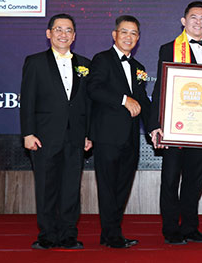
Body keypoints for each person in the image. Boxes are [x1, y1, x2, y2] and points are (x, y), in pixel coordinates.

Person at [149, 1, 202, 245]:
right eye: (193, 17)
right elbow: (160, 88)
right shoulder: (168, 48)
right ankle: (171, 229)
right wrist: (155, 125)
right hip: (176, 127)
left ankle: (191, 227)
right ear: (184, 21)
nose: (198, 22)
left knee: (195, 180)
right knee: (171, 179)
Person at [20, 13, 92, 250]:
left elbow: (87, 104)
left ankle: (69, 234)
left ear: (74, 35)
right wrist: (28, 133)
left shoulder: (85, 64)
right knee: (46, 187)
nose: (63, 34)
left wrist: (88, 134)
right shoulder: (35, 62)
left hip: (75, 136)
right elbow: (27, 100)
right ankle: (48, 235)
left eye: (68, 30)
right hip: (44, 136)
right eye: (58, 29)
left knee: (71, 188)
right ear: (49, 33)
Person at [88, 15, 151, 248]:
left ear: (138, 38)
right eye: (124, 32)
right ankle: (111, 235)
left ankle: (112, 233)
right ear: (114, 35)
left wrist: (155, 128)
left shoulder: (139, 68)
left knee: (122, 187)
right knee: (108, 187)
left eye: (134, 33)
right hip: (107, 136)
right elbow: (94, 89)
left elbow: (143, 102)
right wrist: (124, 99)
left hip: (131, 138)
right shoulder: (102, 59)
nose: (128, 37)